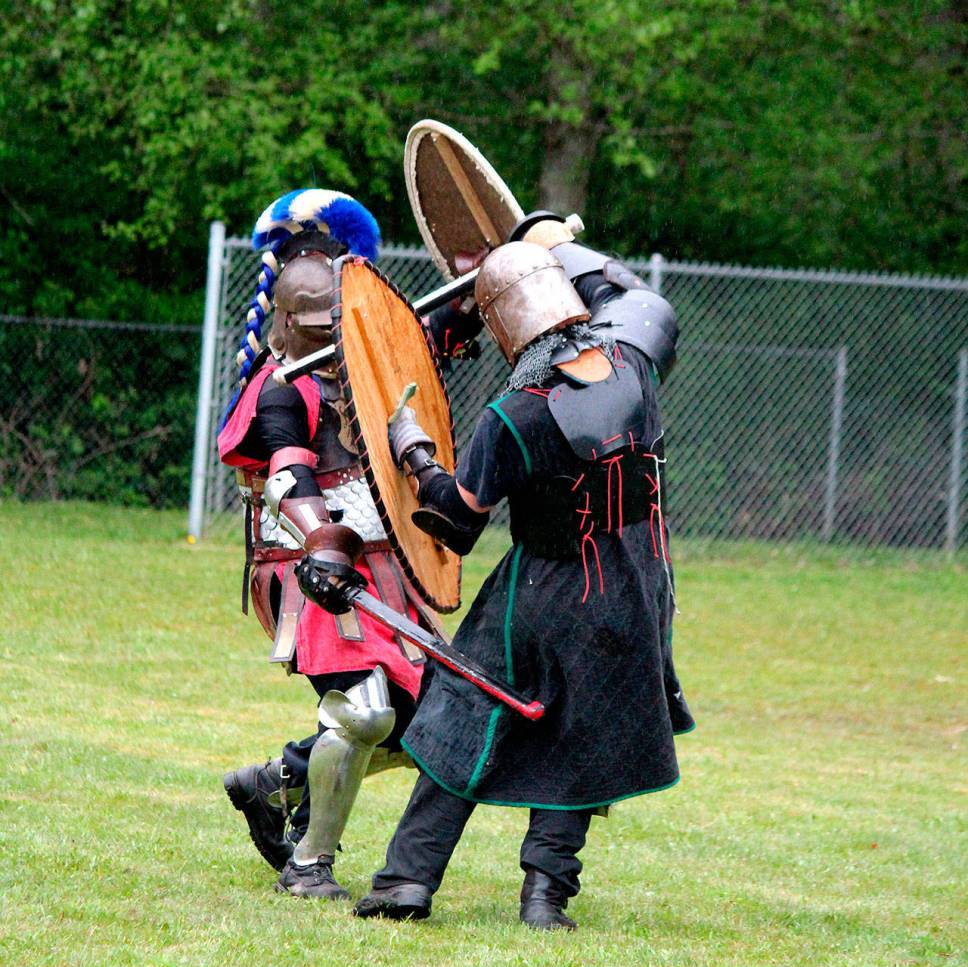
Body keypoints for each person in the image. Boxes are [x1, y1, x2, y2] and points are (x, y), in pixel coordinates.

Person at [342, 235, 694, 929]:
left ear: (503, 326)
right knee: (579, 735)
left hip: (539, 591)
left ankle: (406, 880)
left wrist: (411, 447)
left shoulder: (515, 413)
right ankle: (545, 898)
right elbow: (634, 296)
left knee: (459, 723)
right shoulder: (634, 366)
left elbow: (454, 521)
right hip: (632, 585)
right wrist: (555, 241)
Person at [217, 188, 480, 899]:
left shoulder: (370, 372)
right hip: (316, 572)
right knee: (365, 710)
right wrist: (323, 540)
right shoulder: (282, 390)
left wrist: (480, 274)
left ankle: (277, 779)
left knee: (429, 723)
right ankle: (309, 866)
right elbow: (287, 478)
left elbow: (428, 345)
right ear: (296, 324)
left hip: (386, 566)